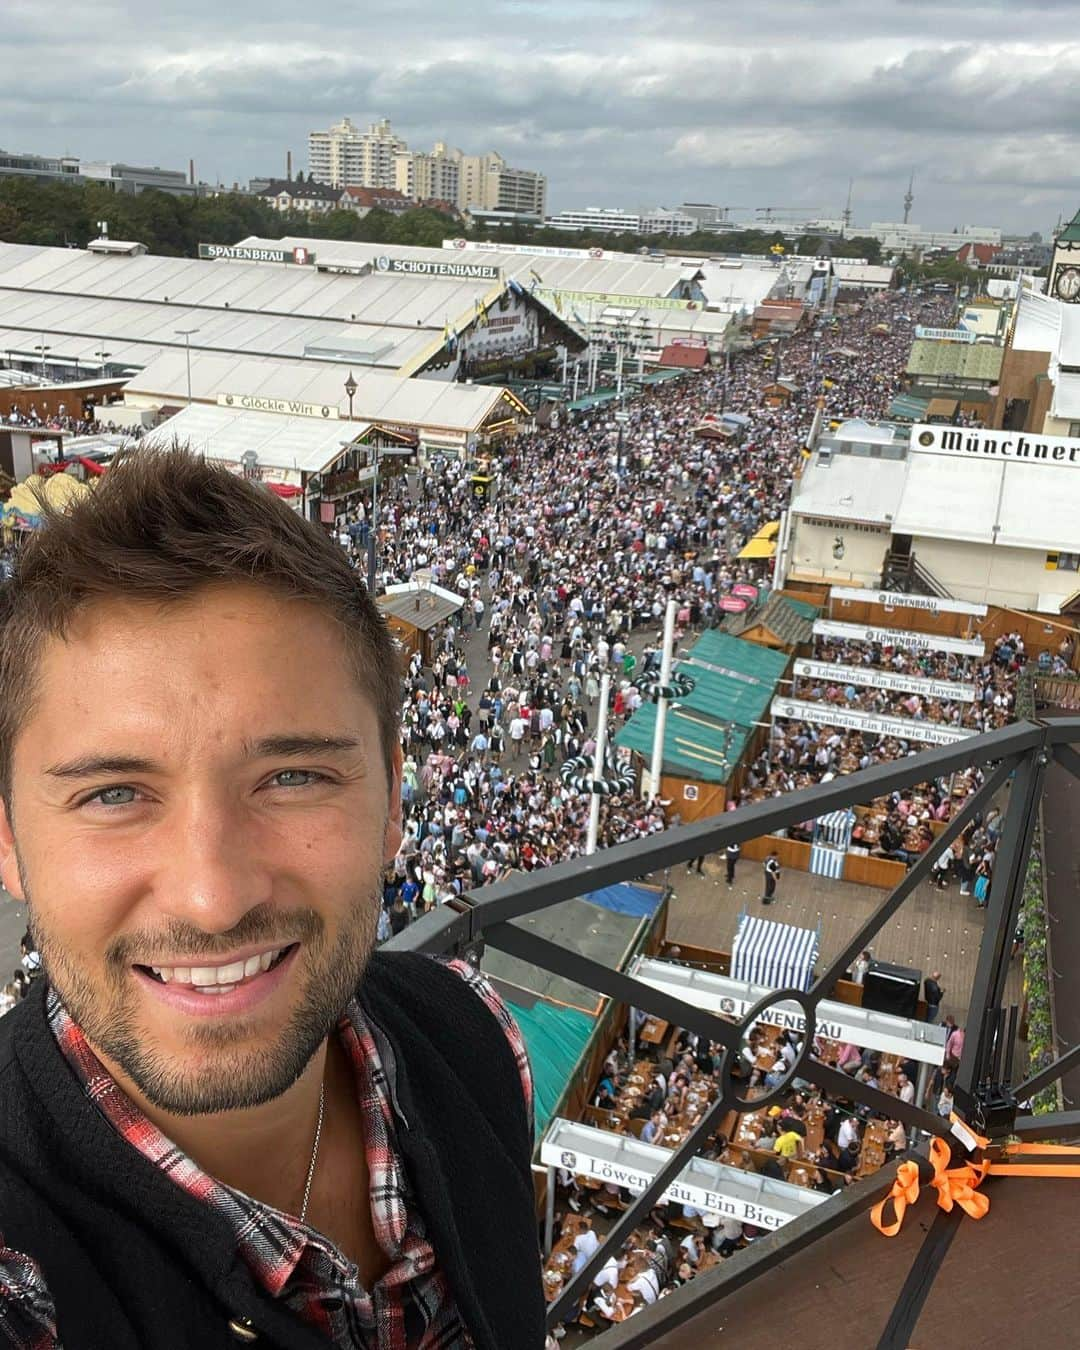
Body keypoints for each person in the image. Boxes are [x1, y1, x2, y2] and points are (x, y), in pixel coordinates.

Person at [0, 449, 545, 1349]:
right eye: (113, 795)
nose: (213, 898)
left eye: (292, 776)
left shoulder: (476, 1032)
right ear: (11, 842)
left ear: (392, 805)